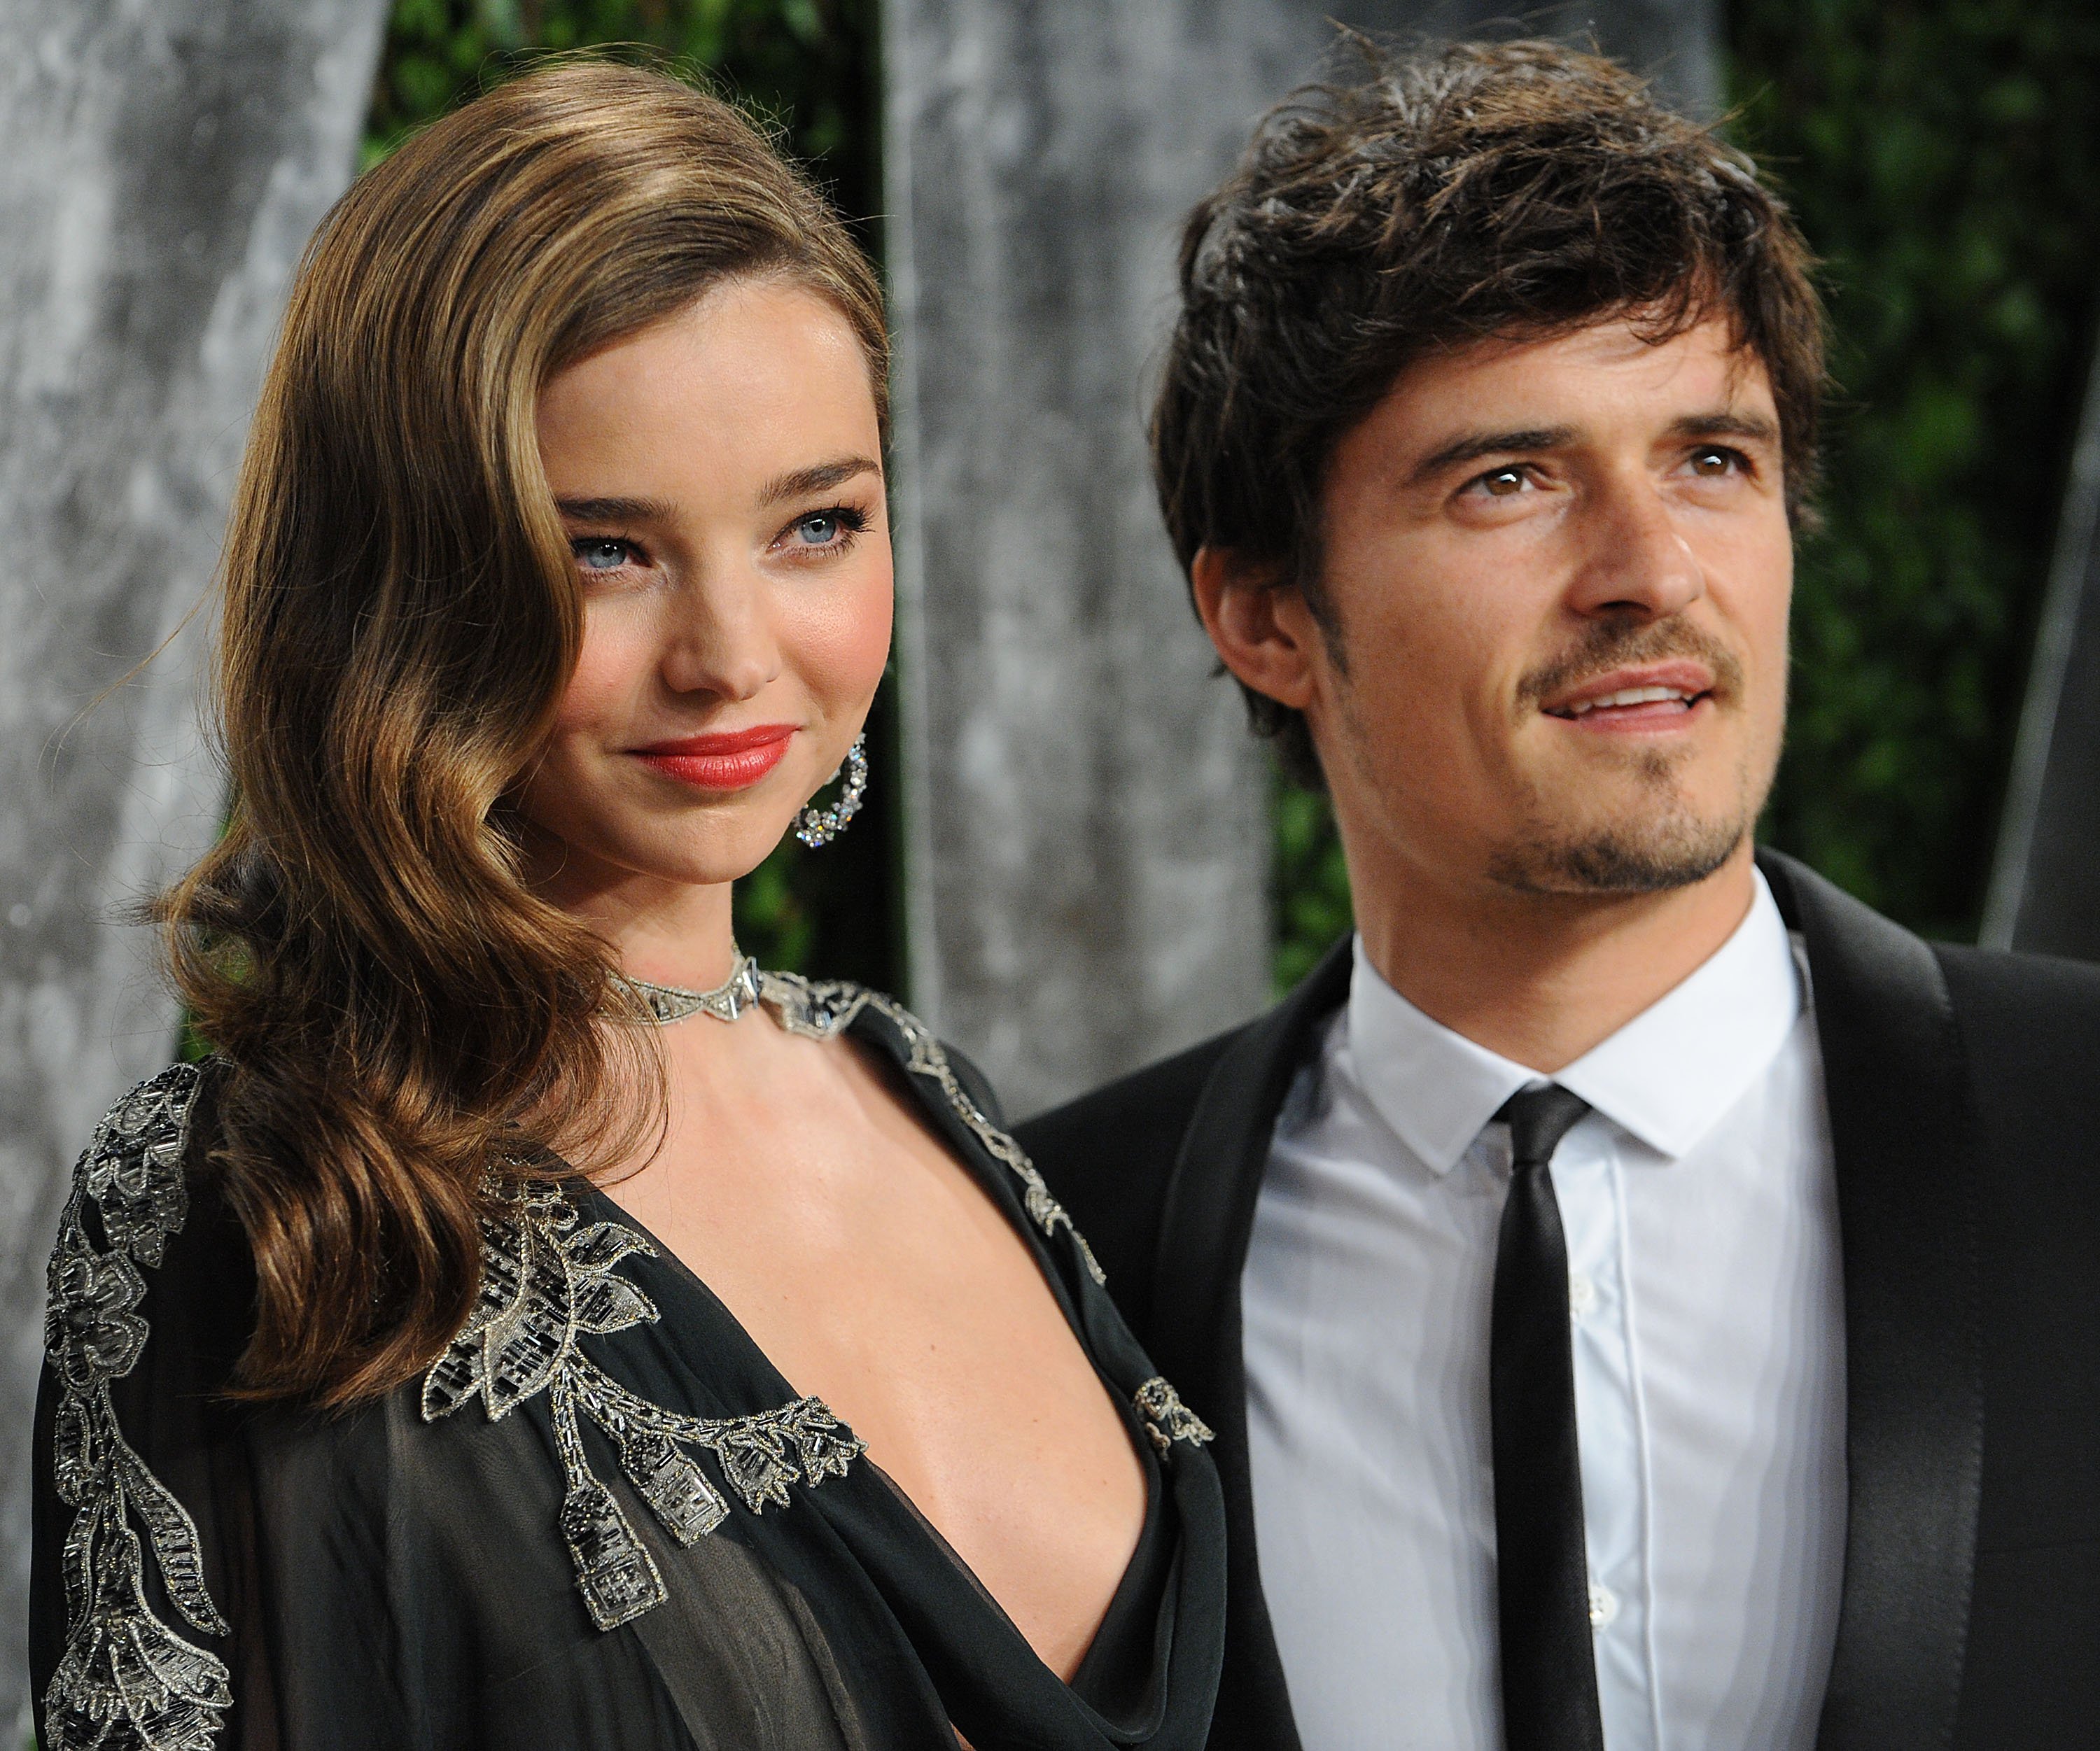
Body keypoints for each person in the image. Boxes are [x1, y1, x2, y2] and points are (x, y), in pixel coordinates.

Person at [29, 59, 1223, 1751]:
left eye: (817, 524)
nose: (732, 656)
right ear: (402, 579)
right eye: (607, 549)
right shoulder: (259, 1200)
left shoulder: (927, 1092)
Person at [1017, 38, 2100, 1751]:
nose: (1653, 572)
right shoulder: (1058, 1264)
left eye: (1713, 461)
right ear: (1265, 616)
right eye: (1509, 480)